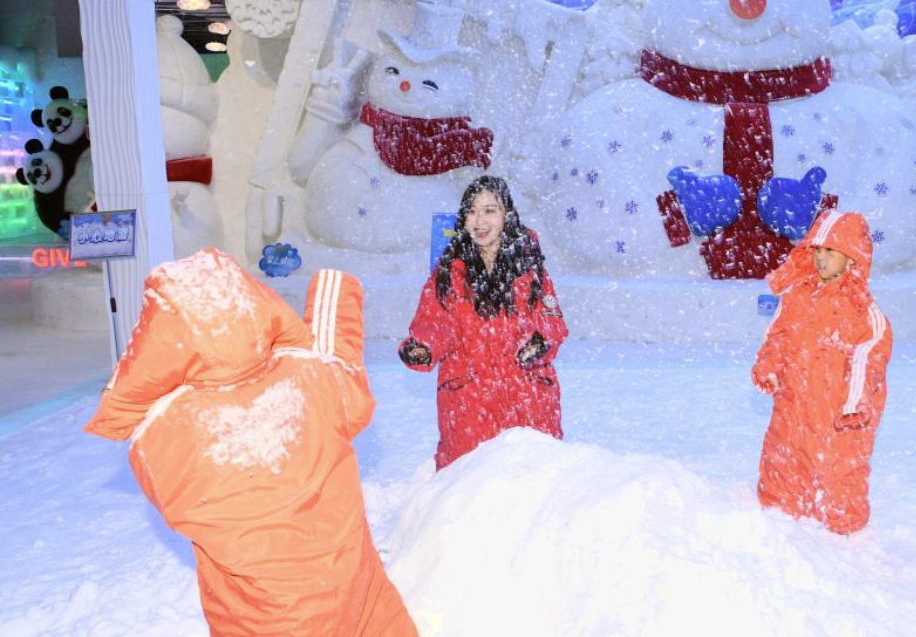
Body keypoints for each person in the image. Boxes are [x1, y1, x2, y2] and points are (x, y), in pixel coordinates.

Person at [84, 249, 419, 637]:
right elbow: (344, 371)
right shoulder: (311, 382)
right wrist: (337, 292)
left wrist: (138, 391)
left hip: (263, 622)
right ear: (257, 306)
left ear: (158, 338)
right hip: (357, 596)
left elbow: (177, 497)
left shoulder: (161, 436)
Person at [400, 175, 568, 470]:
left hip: (525, 396)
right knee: (468, 486)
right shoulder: (449, 271)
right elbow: (436, 322)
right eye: (472, 211)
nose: (479, 221)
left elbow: (551, 320)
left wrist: (539, 341)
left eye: (490, 210)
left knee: (530, 482)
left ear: (506, 215)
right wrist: (424, 346)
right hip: (468, 399)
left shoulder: (529, 266)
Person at [751, 210, 893, 535]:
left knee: (838, 466)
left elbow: (869, 354)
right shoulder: (797, 297)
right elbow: (779, 334)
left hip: (838, 411)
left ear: (852, 258)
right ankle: (780, 515)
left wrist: (855, 400)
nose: (821, 258)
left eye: (830, 251)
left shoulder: (861, 311)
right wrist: (769, 365)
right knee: (783, 454)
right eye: (817, 250)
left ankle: (843, 529)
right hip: (794, 399)